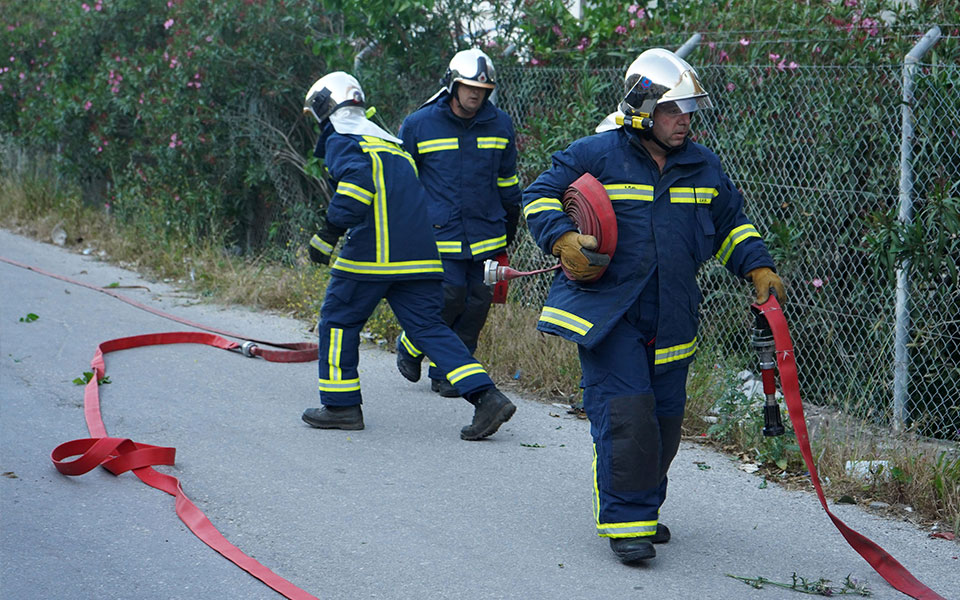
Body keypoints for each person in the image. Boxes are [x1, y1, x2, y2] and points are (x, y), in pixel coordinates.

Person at [521, 48, 786, 564]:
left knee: (663, 423)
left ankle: (641, 507)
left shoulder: (703, 166)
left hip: (674, 316)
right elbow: (539, 195)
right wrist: (562, 238)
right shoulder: (596, 154)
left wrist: (757, 266)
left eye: (688, 110)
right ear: (642, 109)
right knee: (627, 417)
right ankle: (628, 524)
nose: (684, 120)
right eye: (672, 110)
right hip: (610, 314)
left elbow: (731, 226)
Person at [300, 71, 516, 441]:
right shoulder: (388, 142)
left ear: (324, 107)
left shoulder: (344, 138)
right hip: (421, 254)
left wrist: (326, 236)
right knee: (430, 327)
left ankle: (340, 405)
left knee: (337, 320)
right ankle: (487, 398)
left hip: (373, 254)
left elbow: (355, 187)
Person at [393, 48, 522, 397]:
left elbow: (507, 180)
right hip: (439, 234)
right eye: (469, 87)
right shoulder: (419, 125)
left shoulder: (501, 124)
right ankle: (411, 343)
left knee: (477, 304)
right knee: (448, 298)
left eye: (482, 90)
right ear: (452, 85)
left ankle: (448, 372)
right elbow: (403, 183)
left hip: (487, 233)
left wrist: (511, 221)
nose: (475, 95)